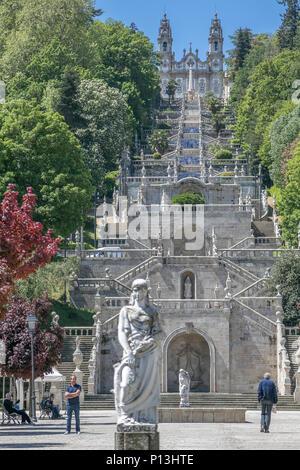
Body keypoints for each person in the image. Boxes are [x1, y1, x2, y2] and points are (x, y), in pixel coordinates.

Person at [114, 278, 162, 426]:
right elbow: (122, 332)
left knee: (147, 387)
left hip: (148, 351)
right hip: (131, 350)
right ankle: (124, 414)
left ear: (146, 291)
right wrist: (128, 351)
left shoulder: (153, 311)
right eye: (135, 289)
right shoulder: (126, 311)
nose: (138, 292)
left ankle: (145, 417)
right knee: (126, 383)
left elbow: (158, 332)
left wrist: (151, 341)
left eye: (141, 289)